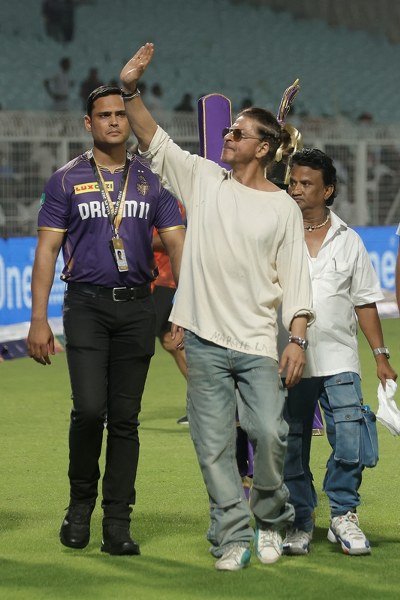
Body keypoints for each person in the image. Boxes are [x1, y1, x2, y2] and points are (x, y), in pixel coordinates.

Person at [119, 43, 314, 571]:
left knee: (272, 434)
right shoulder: (203, 179)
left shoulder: (282, 208)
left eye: (238, 134)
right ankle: (231, 533)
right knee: (212, 446)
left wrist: (295, 339)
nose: (226, 137)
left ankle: (271, 518)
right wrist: (131, 89)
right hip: (203, 340)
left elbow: (297, 281)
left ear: (264, 148)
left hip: (256, 343)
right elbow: (153, 139)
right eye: (228, 132)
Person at [27, 85, 185, 556]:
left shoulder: (151, 181)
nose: (115, 121)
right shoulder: (66, 180)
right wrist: (38, 318)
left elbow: (179, 247)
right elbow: (47, 250)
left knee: (126, 419)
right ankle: (80, 506)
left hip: (140, 306)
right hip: (87, 306)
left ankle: (117, 521)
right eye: (104, 115)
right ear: (88, 124)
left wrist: (189, 310)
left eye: (121, 113)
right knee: (90, 410)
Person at [282, 148, 397, 557]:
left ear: (327, 189)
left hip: (340, 358)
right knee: (292, 441)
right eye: (293, 182)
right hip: (289, 360)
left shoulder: (350, 240)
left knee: (351, 439)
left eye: (306, 183)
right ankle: (300, 518)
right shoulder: (276, 232)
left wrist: (380, 355)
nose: (296, 189)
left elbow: (365, 301)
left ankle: (344, 515)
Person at [152, 205, 189, 426]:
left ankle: (110, 407)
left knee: (134, 343)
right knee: (171, 341)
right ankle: (203, 404)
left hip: (166, 281)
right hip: (157, 280)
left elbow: (175, 236)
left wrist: (134, 239)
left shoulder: (170, 201)